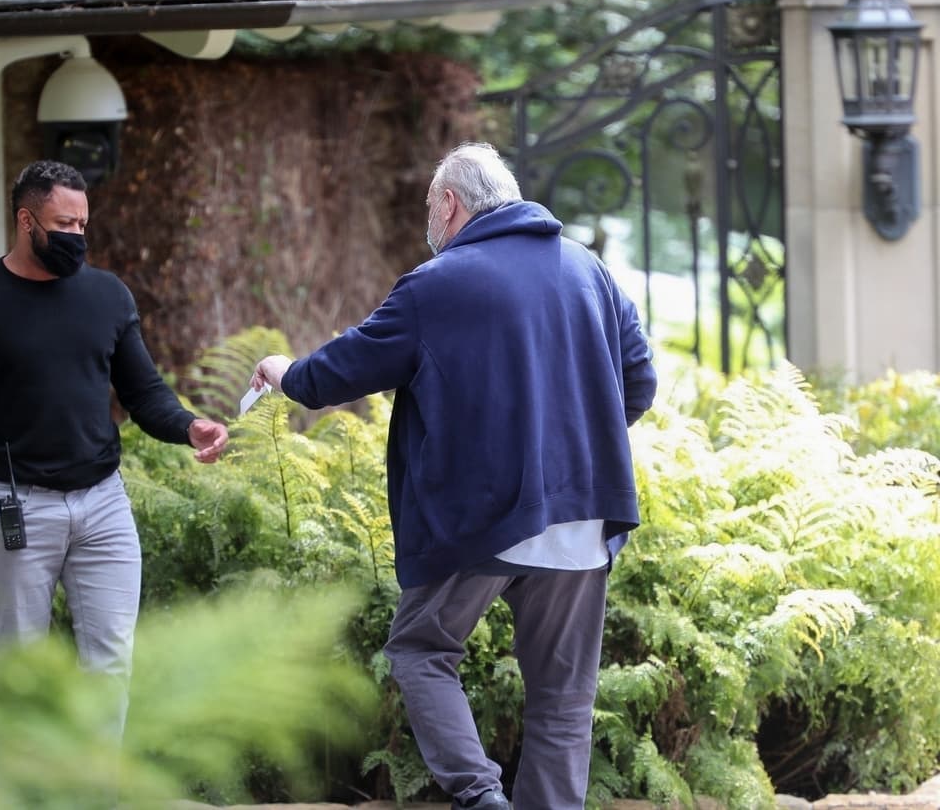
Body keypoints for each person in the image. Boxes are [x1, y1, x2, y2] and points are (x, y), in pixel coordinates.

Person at [251, 143, 656, 810]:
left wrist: (285, 372)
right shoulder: (589, 269)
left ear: (449, 203)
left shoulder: (437, 283)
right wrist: (570, 451)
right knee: (563, 700)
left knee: (420, 650)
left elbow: (341, 370)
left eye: (428, 207)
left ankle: (480, 797)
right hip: (584, 518)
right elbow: (638, 383)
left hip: (483, 518)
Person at [0, 159, 228, 730]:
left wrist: (188, 426)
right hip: (19, 509)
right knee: (19, 675)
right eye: (63, 224)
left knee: (110, 667)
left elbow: (144, 393)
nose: (76, 236)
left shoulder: (107, 297)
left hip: (104, 506)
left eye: (83, 224)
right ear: (26, 221)